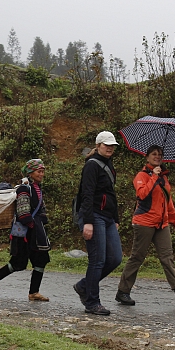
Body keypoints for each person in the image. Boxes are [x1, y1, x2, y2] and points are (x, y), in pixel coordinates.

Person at [115, 145, 175, 307]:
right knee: (137, 257)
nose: (157, 157)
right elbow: (141, 194)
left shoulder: (163, 177)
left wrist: (173, 219)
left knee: (167, 257)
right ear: (147, 157)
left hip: (162, 224)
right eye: (154, 154)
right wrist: (153, 177)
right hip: (144, 222)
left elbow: (167, 200)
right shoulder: (141, 176)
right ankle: (123, 292)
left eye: (160, 155)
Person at [0, 159, 51, 301]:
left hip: (36, 231)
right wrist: (33, 224)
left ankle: (34, 292)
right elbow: (23, 213)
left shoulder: (37, 188)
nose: (42, 174)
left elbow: (41, 208)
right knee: (18, 263)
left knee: (41, 260)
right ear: (30, 173)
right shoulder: (24, 188)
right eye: (39, 171)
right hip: (25, 233)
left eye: (42, 171)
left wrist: (43, 220)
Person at [73, 131, 123, 315]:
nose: (109, 148)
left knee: (115, 258)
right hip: (94, 216)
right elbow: (86, 194)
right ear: (98, 145)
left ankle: (84, 285)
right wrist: (87, 222)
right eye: (106, 144)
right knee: (97, 260)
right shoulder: (91, 166)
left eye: (112, 145)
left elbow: (111, 194)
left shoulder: (109, 164)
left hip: (108, 218)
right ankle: (92, 302)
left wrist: (115, 218)